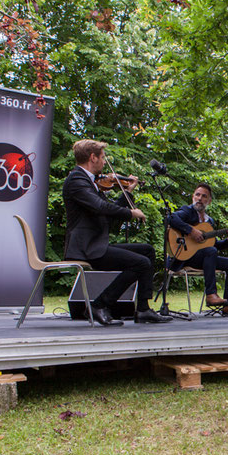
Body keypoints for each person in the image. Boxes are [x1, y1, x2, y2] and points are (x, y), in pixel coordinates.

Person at [62, 139, 170, 325]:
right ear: (92, 157)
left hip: (96, 243)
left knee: (147, 251)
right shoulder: (76, 180)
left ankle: (143, 309)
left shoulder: (89, 181)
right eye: (102, 157)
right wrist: (130, 212)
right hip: (86, 246)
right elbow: (100, 206)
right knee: (141, 264)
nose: (104, 162)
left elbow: (109, 212)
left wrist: (127, 191)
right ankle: (100, 304)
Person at [167, 183, 228, 316]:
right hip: (184, 257)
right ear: (193, 197)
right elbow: (170, 218)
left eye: (204, 196)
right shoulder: (187, 211)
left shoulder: (209, 221)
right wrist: (191, 231)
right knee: (210, 252)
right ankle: (211, 295)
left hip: (204, 258)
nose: (200, 198)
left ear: (209, 201)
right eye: (197, 195)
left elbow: (214, 244)